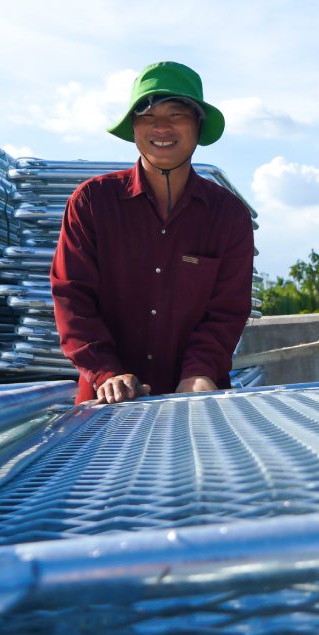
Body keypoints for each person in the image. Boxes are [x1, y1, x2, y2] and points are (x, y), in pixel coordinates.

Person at [51, 61, 255, 404]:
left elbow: (228, 310)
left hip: (197, 405)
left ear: (198, 125)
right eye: (147, 116)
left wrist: (200, 371)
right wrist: (106, 372)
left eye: (177, 115)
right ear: (133, 127)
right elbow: (72, 296)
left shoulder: (229, 216)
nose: (161, 127)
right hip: (106, 406)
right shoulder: (91, 203)